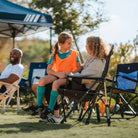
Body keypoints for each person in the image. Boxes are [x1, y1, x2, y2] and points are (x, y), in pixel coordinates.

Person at [39, 36, 110, 123]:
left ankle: (52, 112)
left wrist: (70, 75)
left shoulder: (98, 62)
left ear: (92, 47)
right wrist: (70, 73)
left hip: (85, 88)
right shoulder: (92, 58)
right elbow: (83, 68)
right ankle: (53, 114)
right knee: (50, 84)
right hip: (80, 84)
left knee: (53, 84)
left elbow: (85, 75)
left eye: (86, 45)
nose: (85, 47)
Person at [31, 32, 82, 120]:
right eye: (68, 43)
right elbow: (48, 70)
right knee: (42, 81)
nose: (71, 45)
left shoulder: (74, 54)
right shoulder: (54, 55)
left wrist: (70, 73)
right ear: (61, 44)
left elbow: (80, 67)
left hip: (68, 77)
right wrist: (58, 74)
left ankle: (50, 108)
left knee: (54, 84)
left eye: (71, 43)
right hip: (57, 75)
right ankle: (40, 105)